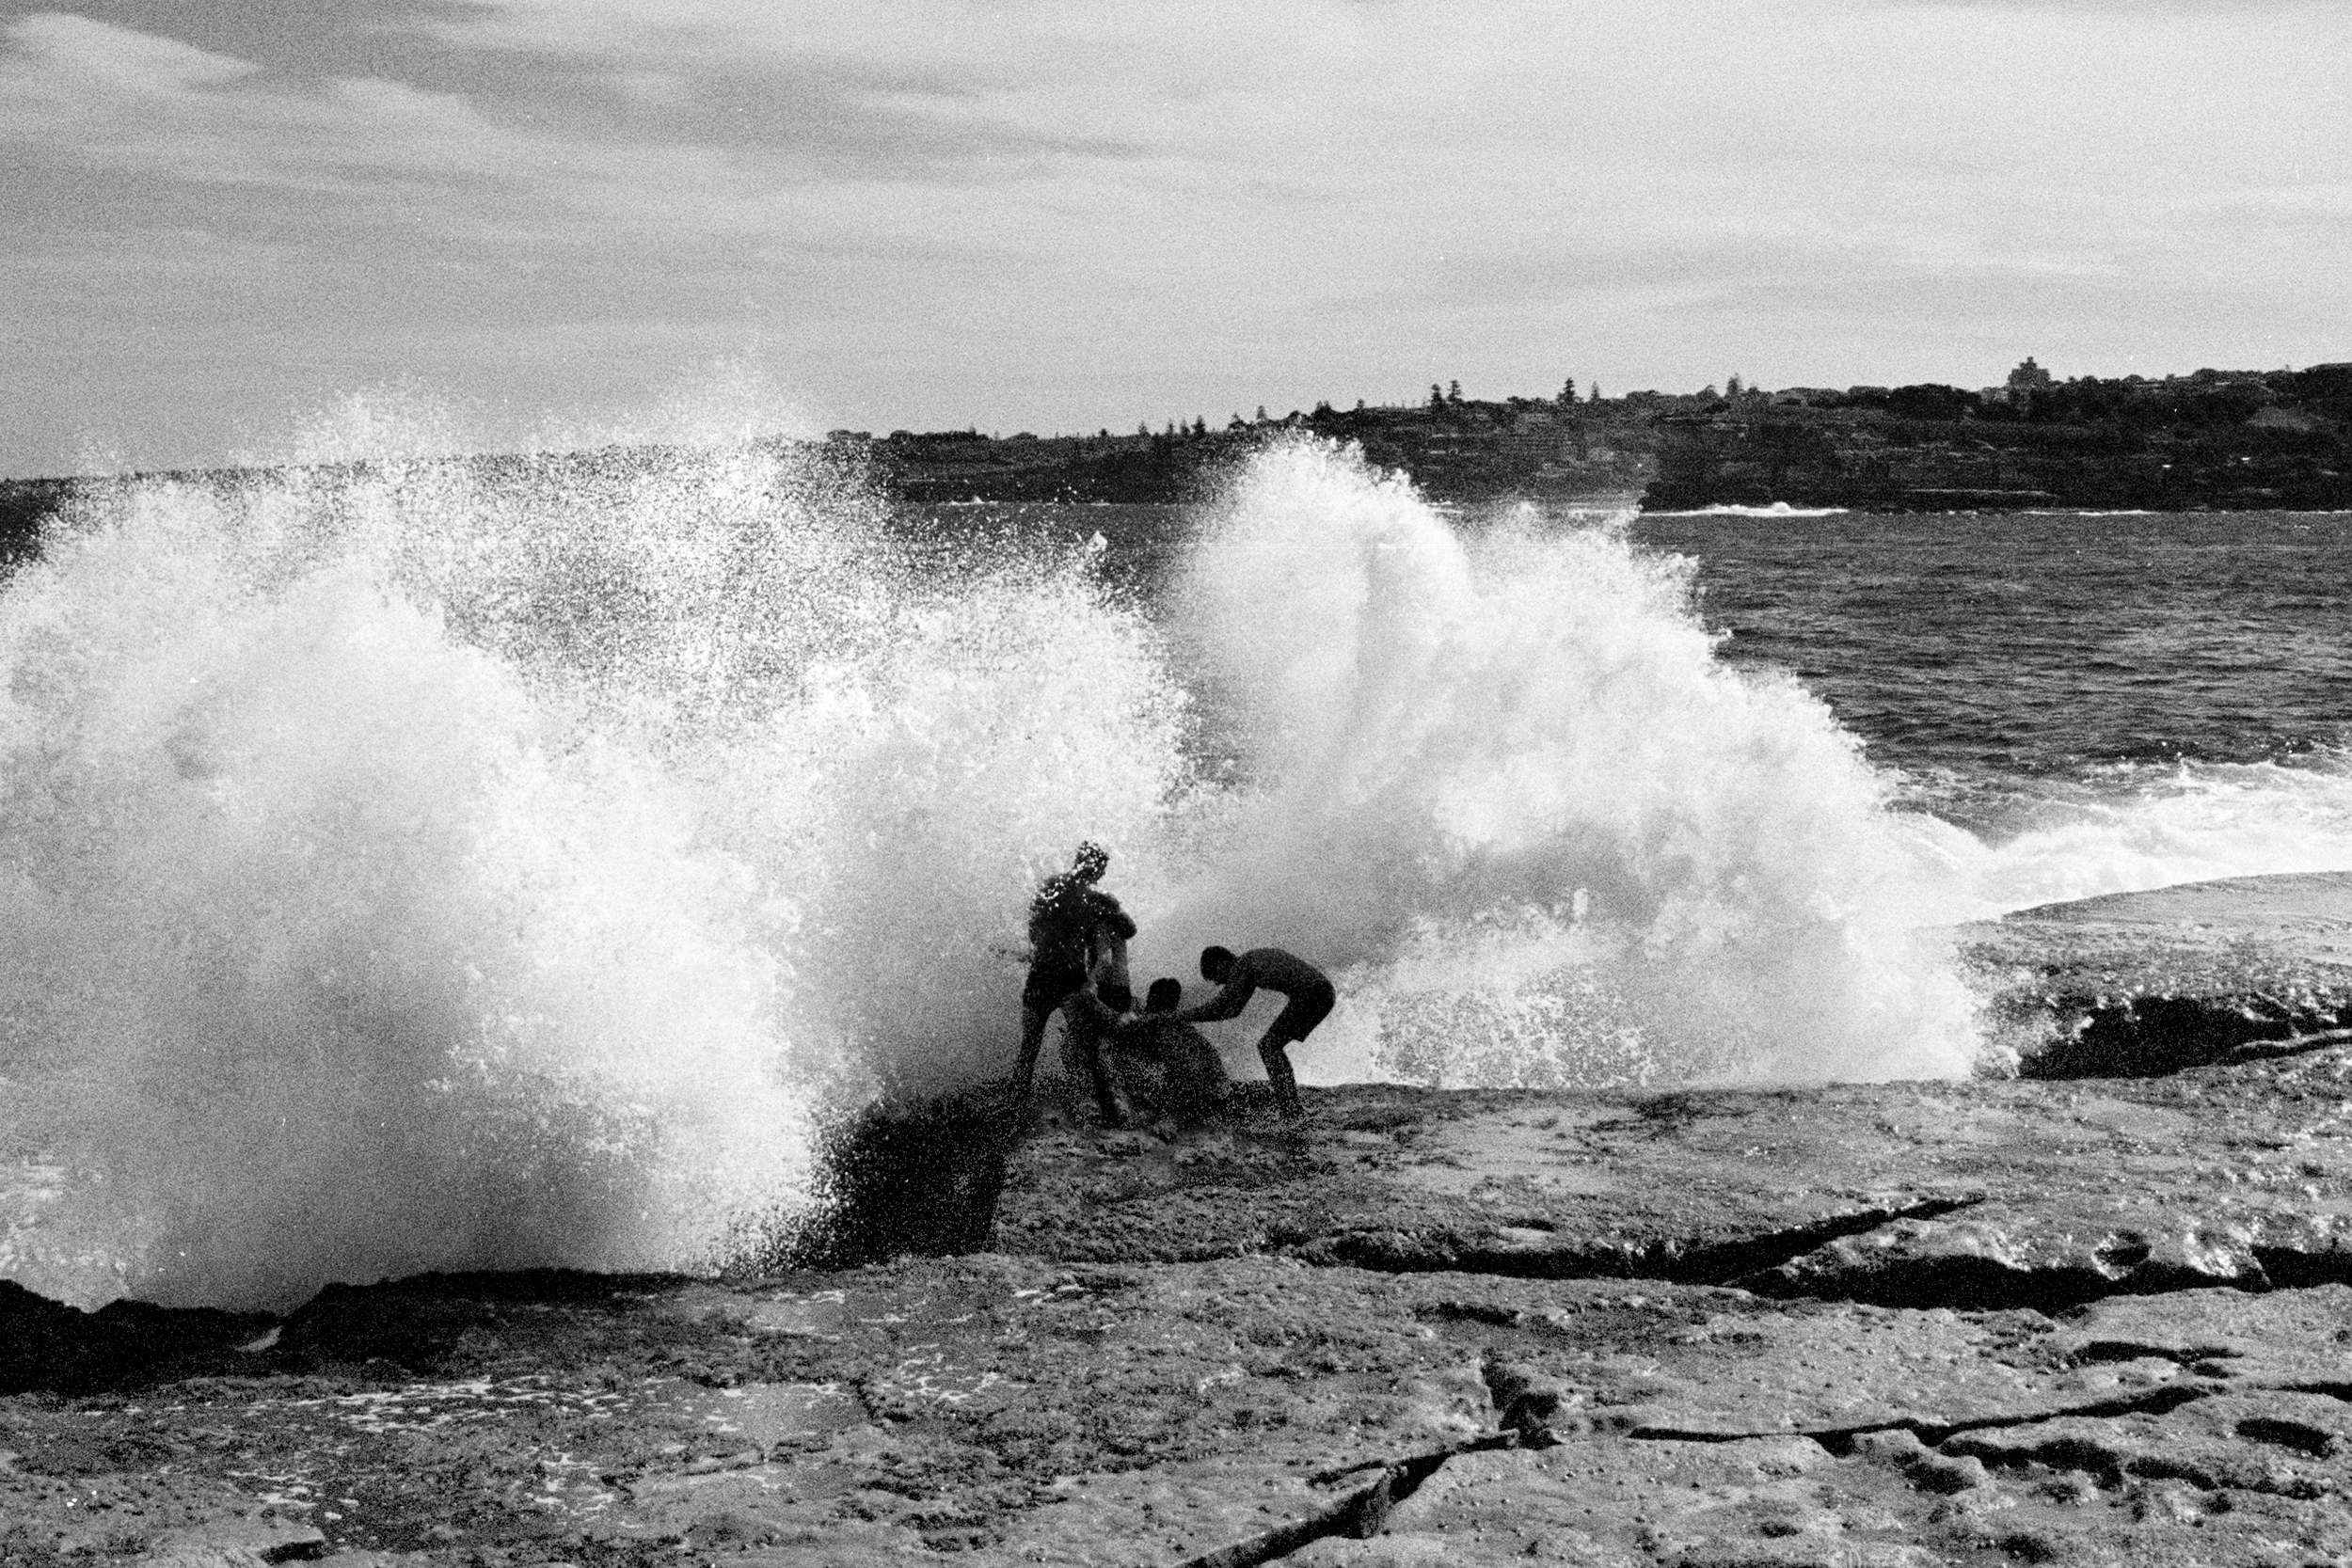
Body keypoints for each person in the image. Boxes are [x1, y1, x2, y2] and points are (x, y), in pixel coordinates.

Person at [1009, 842, 1136, 1102]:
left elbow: (1033, 930)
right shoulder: (1094, 898)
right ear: (1091, 864)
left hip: (1044, 974)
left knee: (1031, 1046)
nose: (1101, 875)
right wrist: (1111, 909)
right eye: (1101, 869)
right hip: (1069, 980)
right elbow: (1129, 929)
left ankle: (1017, 1100)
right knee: (1085, 1045)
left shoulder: (1053, 886)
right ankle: (1108, 1102)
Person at [1172, 945, 1334, 1123]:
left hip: (1313, 994)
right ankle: (1290, 1107)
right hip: (1321, 992)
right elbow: (1232, 1010)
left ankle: (1290, 1110)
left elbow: (1222, 1006)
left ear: (1221, 963)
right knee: (1270, 1045)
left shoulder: (1242, 966)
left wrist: (1180, 1016)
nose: (1218, 983)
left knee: (1269, 1046)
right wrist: (1188, 1018)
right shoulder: (1249, 963)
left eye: (1214, 976)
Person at [1114, 978, 1230, 1125]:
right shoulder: (1186, 1028)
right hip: (1216, 1098)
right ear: (1175, 1002)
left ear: (1151, 999)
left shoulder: (1147, 1024)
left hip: (1184, 1096)